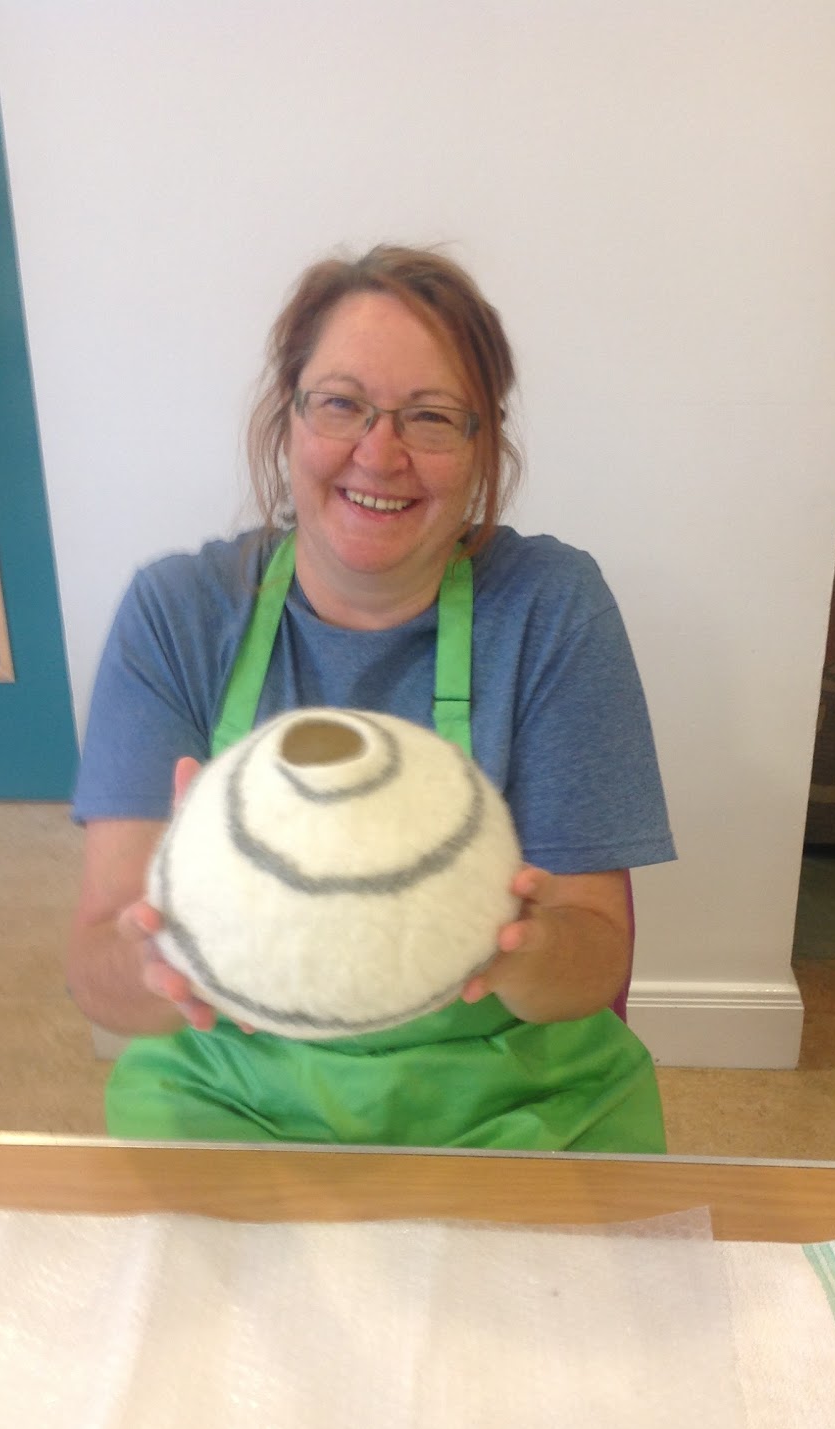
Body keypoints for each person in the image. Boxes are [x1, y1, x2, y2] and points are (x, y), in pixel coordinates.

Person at [67, 244, 675, 1150]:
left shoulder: (549, 608)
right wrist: (163, 955)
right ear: (286, 418)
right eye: (341, 404)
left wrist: (517, 939)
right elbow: (96, 971)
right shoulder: (178, 613)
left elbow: (592, 962)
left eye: (430, 418)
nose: (378, 454)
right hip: (231, 1095)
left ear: (481, 449)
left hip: (513, 1101)